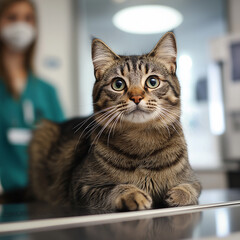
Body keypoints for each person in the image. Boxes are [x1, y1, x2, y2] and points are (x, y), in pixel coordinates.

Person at [0, 0, 65, 199]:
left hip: (42, 197)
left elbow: (61, 144)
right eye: (12, 17)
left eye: (28, 19)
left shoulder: (47, 90)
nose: (21, 25)